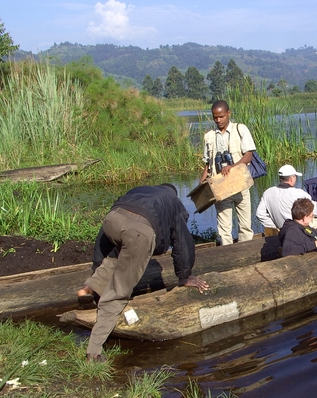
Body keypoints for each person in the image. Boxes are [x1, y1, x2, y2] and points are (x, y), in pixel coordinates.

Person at [76, 184, 208, 362]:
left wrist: (96, 266)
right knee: (118, 292)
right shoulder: (174, 202)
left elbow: (103, 240)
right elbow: (182, 242)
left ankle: (89, 287)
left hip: (112, 220)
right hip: (139, 231)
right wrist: (185, 276)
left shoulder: (140, 190)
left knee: (116, 256)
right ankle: (94, 352)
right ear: (173, 193)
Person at [200, 100, 255, 245]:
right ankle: (229, 256)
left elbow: (249, 155)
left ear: (228, 114)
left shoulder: (240, 129)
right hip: (220, 188)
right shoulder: (209, 136)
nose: (218, 120)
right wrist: (201, 185)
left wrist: (233, 167)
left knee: (245, 226)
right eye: (215, 117)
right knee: (224, 229)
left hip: (240, 185)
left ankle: (246, 253)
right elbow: (208, 164)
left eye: (221, 117)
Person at [256, 164, 317, 232]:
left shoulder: (268, 192)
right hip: (300, 229)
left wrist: (275, 226)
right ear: (291, 179)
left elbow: (260, 214)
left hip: (282, 228)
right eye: (295, 176)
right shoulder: (298, 193)